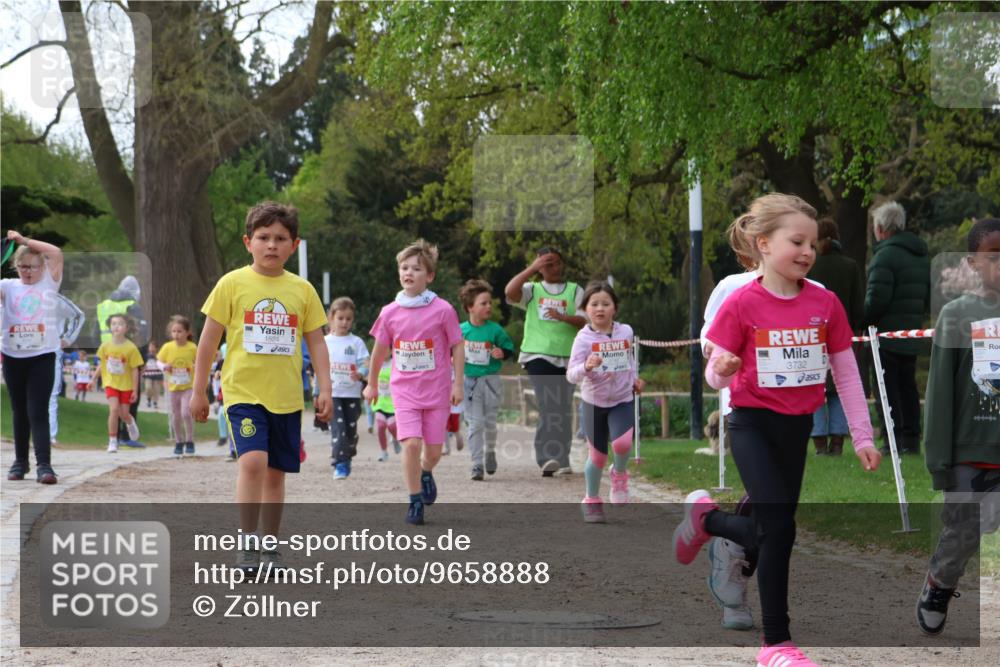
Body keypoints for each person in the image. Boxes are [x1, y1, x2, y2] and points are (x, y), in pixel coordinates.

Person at [674, 193, 882, 667]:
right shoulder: (743, 302)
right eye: (797, 241)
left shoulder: (825, 303)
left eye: (812, 243)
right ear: (763, 244)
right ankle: (777, 644)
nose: (808, 251)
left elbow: (846, 374)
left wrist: (863, 436)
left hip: (797, 428)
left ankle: (705, 521)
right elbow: (715, 376)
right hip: (750, 422)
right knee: (779, 527)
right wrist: (723, 368)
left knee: (777, 529)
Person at [190, 201, 332, 573]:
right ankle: (246, 544)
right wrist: (198, 389)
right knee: (253, 462)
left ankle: (271, 547)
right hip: (243, 395)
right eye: (263, 237)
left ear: (294, 245)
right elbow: (207, 341)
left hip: (285, 398)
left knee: (275, 473)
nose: (271, 245)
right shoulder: (232, 284)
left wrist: (325, 387)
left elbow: (317, 342)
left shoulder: (302, 290)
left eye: (280, 238)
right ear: (247, 242)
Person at [915, 217, 1000, 636]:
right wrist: (939, 460)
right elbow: (941, 391)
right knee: (964, 531)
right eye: (993, 256)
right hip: (968, 449)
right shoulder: (956, 315)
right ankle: (939, 584)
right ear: (972, 262)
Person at [364, 240, 464, 525]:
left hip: (437, 391)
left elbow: (458, 346)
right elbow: (379, 351)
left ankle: (425, 471)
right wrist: (371, 383)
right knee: (410, 444)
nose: (409, 272)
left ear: (429, 276)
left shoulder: (443, 310)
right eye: (404, 268)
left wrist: (458, 385)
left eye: (416, 269)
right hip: (404, 391)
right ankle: (414, 501)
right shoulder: (389, 312)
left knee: (432, 451)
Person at [504, 247, 586, 476]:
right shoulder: (532, 289)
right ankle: (545, 457)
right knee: (548, 404)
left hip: (568, 356)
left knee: (563, 407)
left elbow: (583, 320)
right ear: (540, 267)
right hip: (538, 355)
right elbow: (510, 292)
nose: (555, 268)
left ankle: (563, 458)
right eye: (548, 264)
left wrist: (563, 317)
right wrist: (531, 268)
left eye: (558, 263)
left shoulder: (574, 290)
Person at [566, 281, 644, 523]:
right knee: (597, 457)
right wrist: (586, 366)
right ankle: (591, 500)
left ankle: (619, 474)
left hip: (621, 399)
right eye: (594, 304)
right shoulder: (582, 339)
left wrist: (635, 380)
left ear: (615, 308)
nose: (600, 308)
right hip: (593, 402)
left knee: (622, 444)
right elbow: (571, 374)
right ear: (585, 309)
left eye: (605, 304)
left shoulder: (626, 332)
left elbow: (629, 361)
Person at [865, 201, 931, 455]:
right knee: (908, 387)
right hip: (911, 332)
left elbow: (877, 300)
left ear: (881, 228)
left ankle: (892, 440)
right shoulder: (921, 256)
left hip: (885, 334)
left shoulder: (884, 256)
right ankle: (912, 440)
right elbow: (925, 297)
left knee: (885, 388)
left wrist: (864, 319)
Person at [1, 230, 64, 483]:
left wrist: (23, 241)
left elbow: (56, 252)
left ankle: (44, 466)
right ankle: (20, 462)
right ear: (15, 266)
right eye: (22, 266)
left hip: (42, 355)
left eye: (33, 266)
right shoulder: (7, 287)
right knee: (19, 410)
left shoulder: (49, 281)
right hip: (13, 355)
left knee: (37, 410)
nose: (28, 271)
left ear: (42, 267)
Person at [806, 218, 864, 456]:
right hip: (843, 336)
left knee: (816, 388)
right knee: (840, 388)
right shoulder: (850, 267)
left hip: (812, 335)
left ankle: (819, 442)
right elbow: (858, 308)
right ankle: (838, 442)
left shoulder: (811, 266)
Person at [459, 279, 515, 480]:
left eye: (490, 302)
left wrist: (503, 353)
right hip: (470, 382)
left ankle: (490, 451)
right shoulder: (461, 331)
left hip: (491, 381)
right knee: (475, 424)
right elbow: (449, 351)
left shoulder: (495, 330)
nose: (489, 306)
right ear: (470, 307)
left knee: (490, 423)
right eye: (483, 303)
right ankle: (476, 464)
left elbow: (509, 348)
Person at [97, 275, 149, 444]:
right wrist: (143, 359)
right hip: (128, 356)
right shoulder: (132, 305)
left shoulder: (105, 305)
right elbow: (142, 332)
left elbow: (95, 331)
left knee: (114, 398)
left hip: (108, 355)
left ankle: (115, 437)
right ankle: (127, 437)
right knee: (130, 396)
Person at [325, 296, 370, 480]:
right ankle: (340, 464)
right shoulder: (325, 342)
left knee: (350, 431)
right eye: (340, 318)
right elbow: (318, 365)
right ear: (331, 319)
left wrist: (360, 373)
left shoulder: (356, 342)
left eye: (348, 319)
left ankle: (347, 454)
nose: (344, 322)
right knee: (338, 429)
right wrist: (318, 390)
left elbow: (366, 363)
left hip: (351, 394)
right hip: (332, 393)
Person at [89, 313, 143, 454]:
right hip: (110, 383)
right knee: (113, 410)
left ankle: (130, 422)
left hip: (126, 385)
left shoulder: (131, 348)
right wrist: (93, 379)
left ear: (126, 328)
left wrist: (135, 390)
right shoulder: (105, 346)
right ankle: (112, 441)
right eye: (113, 324)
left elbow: (135, 370)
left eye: (120, 324)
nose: (116, 326)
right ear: (109, 327)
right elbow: (102, 365)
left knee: (124, 414)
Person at [157, 315, 198, 458]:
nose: (176, 334)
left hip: (188, 386)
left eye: (180, 331)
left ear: (187, 333)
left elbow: (199, 362)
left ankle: (190, 440)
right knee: (175, 415)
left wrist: (195, 366)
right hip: (173, 387)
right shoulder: (167, 347)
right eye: (174, 331)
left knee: (186, 413)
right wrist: (164, 366)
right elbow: (158, 361)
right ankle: (179, 441)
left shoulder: (192, 347)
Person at [48, 292, 85, 445]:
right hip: (24, 353)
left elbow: (78, 315)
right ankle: (25, 437)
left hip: (51, 351)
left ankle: (49, 436)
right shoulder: (14, 290)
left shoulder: (54, 298)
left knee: (50, 395)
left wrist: (67, 337)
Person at [372, 359, 400, 460]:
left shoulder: (395, 362)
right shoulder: (376, 362)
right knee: (381, 426)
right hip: (379, 402)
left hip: (392, 403)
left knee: (392, 426)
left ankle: (396, 440)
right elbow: (369, 378)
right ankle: (384, 452)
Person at [144, 340, 164, 409]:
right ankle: (149, 398)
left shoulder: (159, 356)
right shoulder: (146, 356)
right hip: (148, 375)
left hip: (157, 375)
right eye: (150, 346)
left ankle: (155, 402)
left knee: (156, 389)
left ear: (156, 348)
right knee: (148, 388)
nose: (151, 348)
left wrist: (156, 357)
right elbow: (143, 364)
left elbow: (161, 364)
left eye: (153, 347)